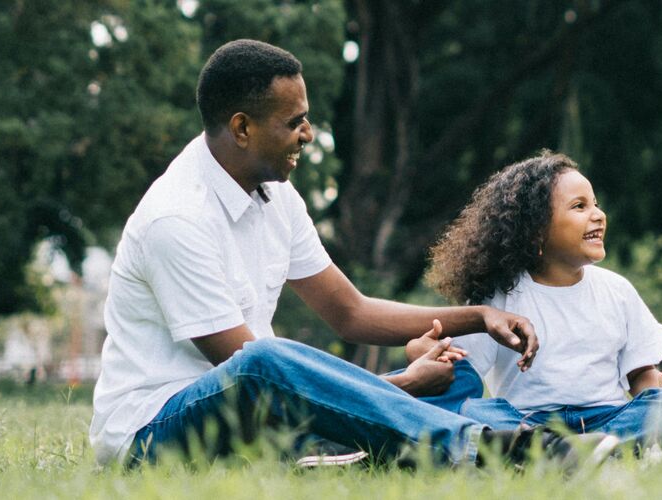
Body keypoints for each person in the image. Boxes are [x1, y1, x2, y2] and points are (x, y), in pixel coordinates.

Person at [88, 39, 618, 469]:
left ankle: (356, 453)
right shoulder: (176, 218)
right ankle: (485, 446)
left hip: (253, 412)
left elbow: (351, 312)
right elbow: (248, 371)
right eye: (293, 121)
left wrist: (478, 318)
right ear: (242, 128)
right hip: (153, 432)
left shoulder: (277, 196)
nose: (308, 134)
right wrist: (395, 386)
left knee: (450, 379)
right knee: (263, 357)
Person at [415, 152, 662, 447]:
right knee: (475, 410)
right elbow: (461, 371)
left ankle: (591, 447)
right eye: (579, 206)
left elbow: (641, 374)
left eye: (596, 204)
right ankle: (565, 449)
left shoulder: (618, 290)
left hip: (608, 418)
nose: (598, 215)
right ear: (536, 232)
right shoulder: (498, 298)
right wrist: (426, 350)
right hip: (526, 423)